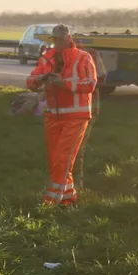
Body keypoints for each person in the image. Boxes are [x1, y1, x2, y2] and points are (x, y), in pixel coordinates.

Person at [26, 24, 98, 206]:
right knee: (54, 160)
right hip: (53, 116)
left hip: (77, 116)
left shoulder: (83, 57)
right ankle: (68, 197)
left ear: (68, 39)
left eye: (59, 39)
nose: (56, 43)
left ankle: (52, 200)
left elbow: (90, 83)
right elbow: (30, 80)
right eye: (54, 39)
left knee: (63, 158)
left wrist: (64, 83)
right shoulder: (47, 58)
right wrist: (41, 79)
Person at [73, 45, 106, 190]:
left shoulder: (88, 54)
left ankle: (76, 187)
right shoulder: (56, 56)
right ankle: (66, 185)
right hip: (65, 112)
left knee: (77, 149)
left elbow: (100, 79)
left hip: (85, 110)